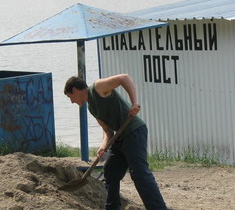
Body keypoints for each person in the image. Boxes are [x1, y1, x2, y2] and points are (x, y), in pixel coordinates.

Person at [64, 74, 167, 210]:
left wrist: (134, 102)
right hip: (119, 138)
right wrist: (103, 147)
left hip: (133, 131)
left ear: (75, 90)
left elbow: (124, 78)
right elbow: (108, 132)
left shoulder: (98, 88)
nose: (72, 102)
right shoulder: (91, 108)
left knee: (139, 173)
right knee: (111, 171)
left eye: (70, 97)